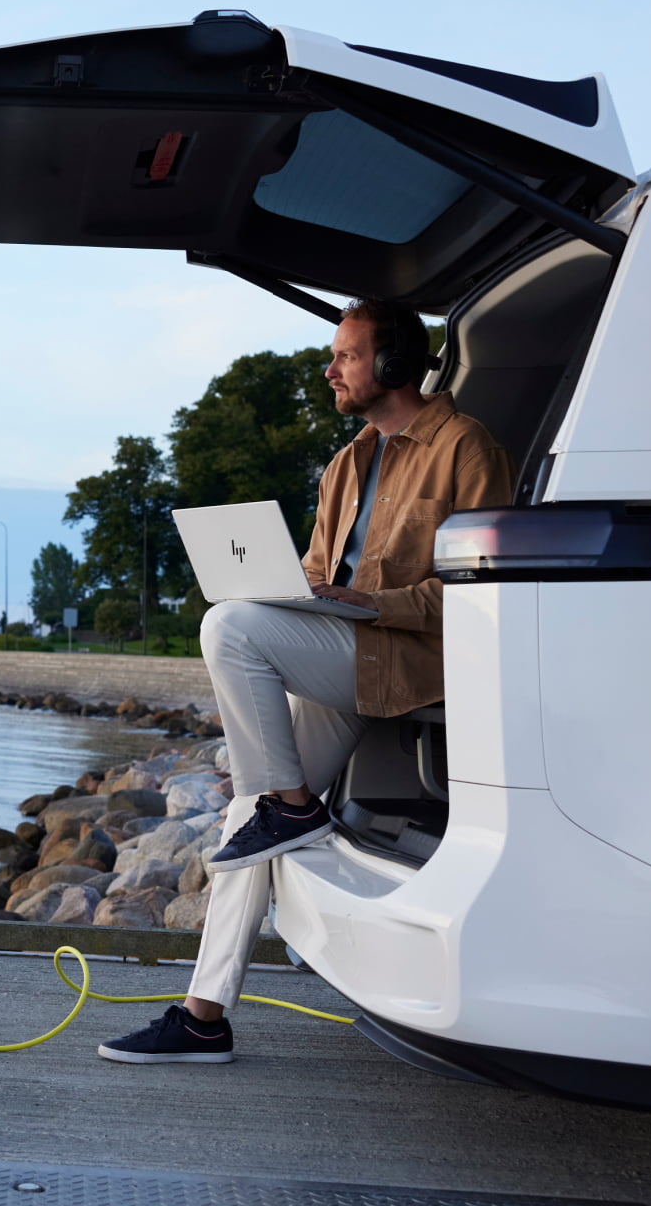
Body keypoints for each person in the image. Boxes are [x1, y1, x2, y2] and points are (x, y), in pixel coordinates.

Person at [97, 297, 515, 1064]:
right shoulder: (348, 462)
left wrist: (371, 602)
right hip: (342, 655)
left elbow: (483, 594)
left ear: (391, 364)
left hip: (409, 658)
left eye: (346, 356)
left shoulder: (466, 447)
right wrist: (298, 591)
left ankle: (291, 805)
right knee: (245, 816)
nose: (330, 370)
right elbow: (322, 576)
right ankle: (203, 1017)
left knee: (228, 627)